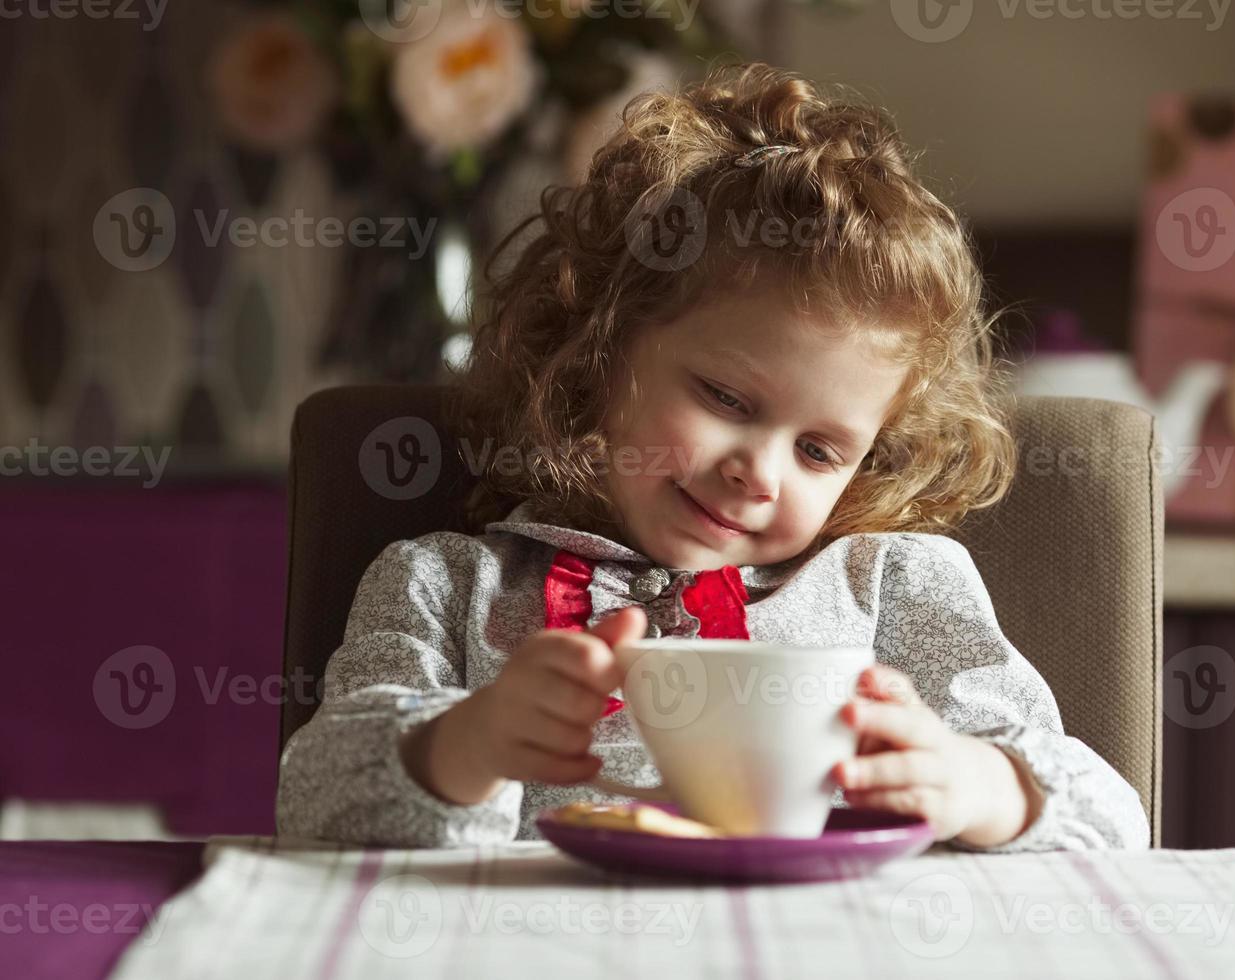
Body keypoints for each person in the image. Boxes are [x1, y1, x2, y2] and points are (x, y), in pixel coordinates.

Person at [275, 61, 1150, 851]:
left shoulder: (891, 589)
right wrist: (466, 745)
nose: (758, 472)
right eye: (727, 400)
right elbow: (312, 803)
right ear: (602, 354)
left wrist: (981, 787)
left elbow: (1113, 822)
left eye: (818, 449)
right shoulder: (445, 584)